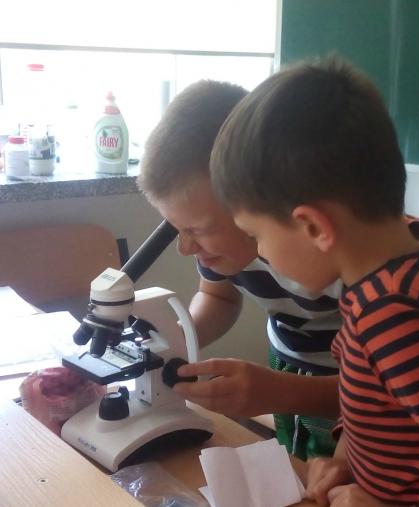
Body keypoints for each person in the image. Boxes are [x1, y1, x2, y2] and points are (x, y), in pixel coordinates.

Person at [209, 59, 419, 506]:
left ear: (314, 227)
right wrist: (346, 457)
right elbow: (385, 403)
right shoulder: (413, 250)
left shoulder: (393, 320)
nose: (261, 252)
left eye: (256, 235)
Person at [138, 80, 341, 460]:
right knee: (301, 467)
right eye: (178, 230)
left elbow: (382, 397)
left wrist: (280, 391)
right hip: (287, 365)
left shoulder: (339, 258)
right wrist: (179, 339)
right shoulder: (220, 250)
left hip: (345, 387)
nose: (185, 248)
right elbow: (218, 296)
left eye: (198, 230)